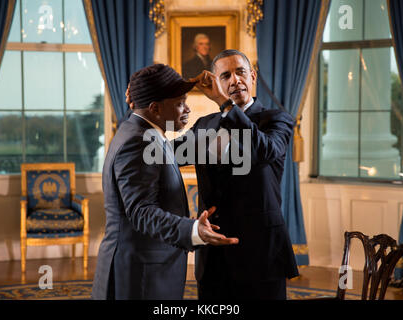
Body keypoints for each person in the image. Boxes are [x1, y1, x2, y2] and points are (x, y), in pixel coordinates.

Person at [91, 64, 238, 300]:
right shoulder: (139, 142)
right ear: (155, 108)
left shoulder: (142, 131)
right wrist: (192, 230)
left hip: (145, 269)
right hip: (140, 276)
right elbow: (141, 212)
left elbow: (199, 146)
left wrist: (223, 101)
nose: (187, 108)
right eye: (180, 102)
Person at [183, 49, 299, 299]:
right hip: (213, 254)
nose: (235, 80)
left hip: (261, 253)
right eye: (225, 76)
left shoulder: (277, 119)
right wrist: (141, 108)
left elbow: (264, 150)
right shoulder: (204, 124)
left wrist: (225, 105)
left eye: (240, 72)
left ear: (253, 76)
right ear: (217, 83)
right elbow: (169, 154)